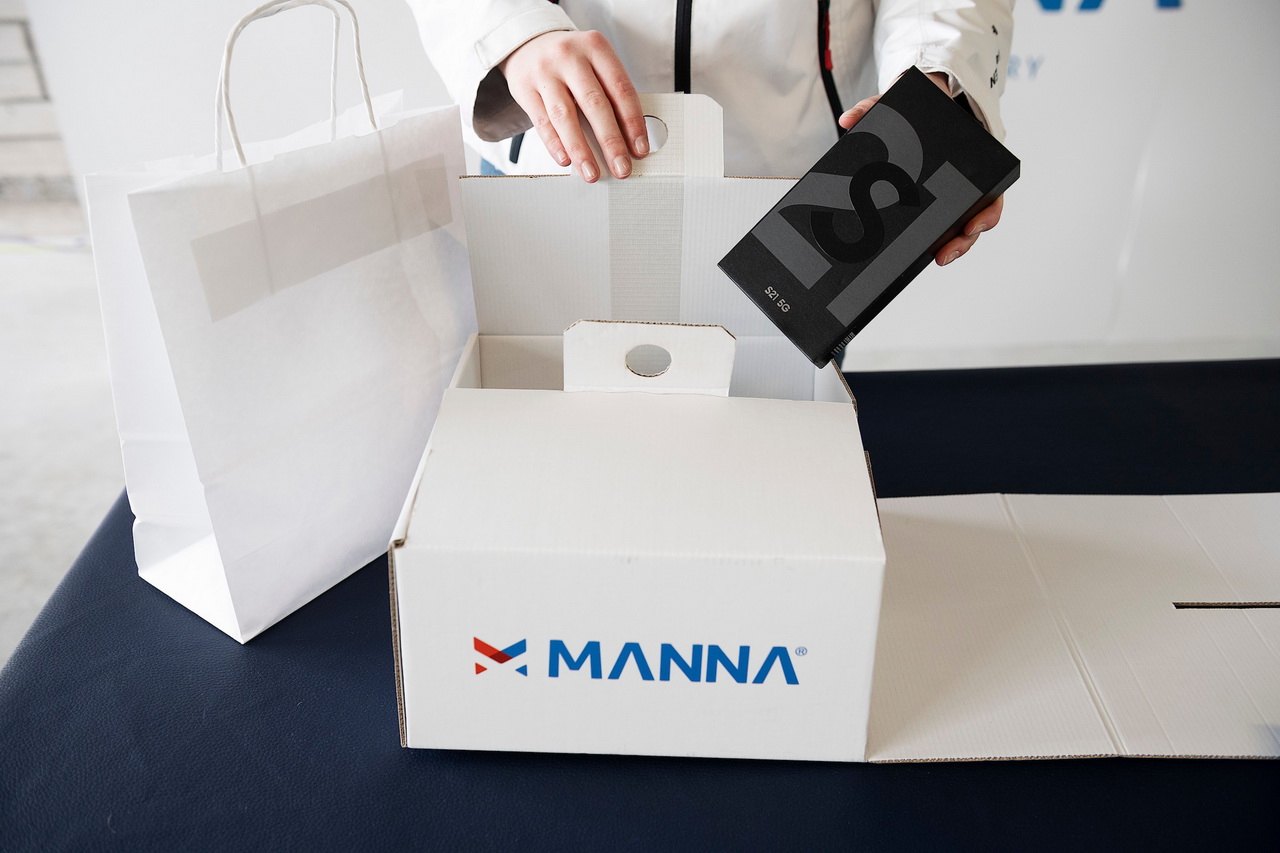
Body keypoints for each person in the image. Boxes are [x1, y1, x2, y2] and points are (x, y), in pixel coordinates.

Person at [406, 0, 1012, 267]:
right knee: (546, 445)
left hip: (797, 181)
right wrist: (511, 29)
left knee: (770, 443)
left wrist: (936, 83)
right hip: (557, 153)